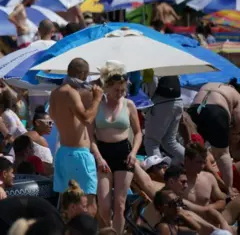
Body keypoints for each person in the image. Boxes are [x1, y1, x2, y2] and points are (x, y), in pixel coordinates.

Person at [89, 61, 142, 233]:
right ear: (106, 88)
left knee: (119, 204)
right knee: (104, 205)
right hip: (102, 152)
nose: (120, 93)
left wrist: (134, 153)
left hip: (123, 152)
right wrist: (98, 157)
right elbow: (90, 136)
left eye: (122, 90)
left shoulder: (129, 105)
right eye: (116, 90)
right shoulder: (97, 105)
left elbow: (138, 133)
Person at [49, 58, 103, 216]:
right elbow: (87, 118)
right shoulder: (71, 93)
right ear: (83, 74)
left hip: (63, 152)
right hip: (79, 154)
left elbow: (54, 116)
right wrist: (97, 99)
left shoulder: (55, 93)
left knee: (66, 204)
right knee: (89, 204)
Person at [187, 81, 240, 190]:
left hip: (195, 110)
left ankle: (191, 184)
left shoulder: (210, 84)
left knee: (194, 151)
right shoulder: (237, 95)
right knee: (222, 155)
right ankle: (228, 190)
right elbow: (238, 120)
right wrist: (234, 133)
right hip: (216, 111)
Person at [145, 73, 185, 166]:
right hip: (178, 101)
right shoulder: (170, 62)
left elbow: (153, 83)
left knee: (152, 142)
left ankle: (160, 172)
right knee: (170, 141)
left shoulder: (154, 62)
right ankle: (193, 163)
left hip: (161, 103)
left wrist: (148, 99)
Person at [26, 105, 54, 173]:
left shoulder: (29, 134)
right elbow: (49, 166)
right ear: (38, 123)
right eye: (49, 123)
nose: (51, 126)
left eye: (52, 123)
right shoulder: (39, 139)